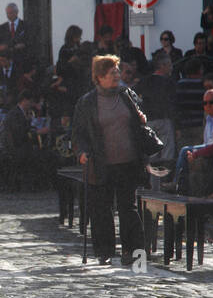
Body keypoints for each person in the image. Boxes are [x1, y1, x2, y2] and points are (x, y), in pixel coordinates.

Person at [72, 53, 148, 266]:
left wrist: (142, 118)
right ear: (99, 77)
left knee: (128, 208)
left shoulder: (126, 95)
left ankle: (132, 252)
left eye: (116, 71)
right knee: (102, 209)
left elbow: (140, 117)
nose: (116, 75)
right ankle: (104, 251)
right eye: (111, 72)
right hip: (101, 163)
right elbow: (78, 133)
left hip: (129, 161)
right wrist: (82, 152)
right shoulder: (87, 102)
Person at [132, 51, 177, 161]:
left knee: (152, 157)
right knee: (166, 155)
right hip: (164, 120)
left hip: (149, 122)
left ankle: (153, 178)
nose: (172, 68)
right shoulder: (169, 82)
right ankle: (165, 177)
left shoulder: (144, 81)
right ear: (162, 66)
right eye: (170, 65)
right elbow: (173, 104)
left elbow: (132, 96)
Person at [0, 3, 27, 67]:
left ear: (17, 12)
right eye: (7, 13)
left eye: (10, 13)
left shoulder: (25, 25)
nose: (8, 15)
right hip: (7, 62)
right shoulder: (2, 27)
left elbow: (29, 42)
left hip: (22, 61)